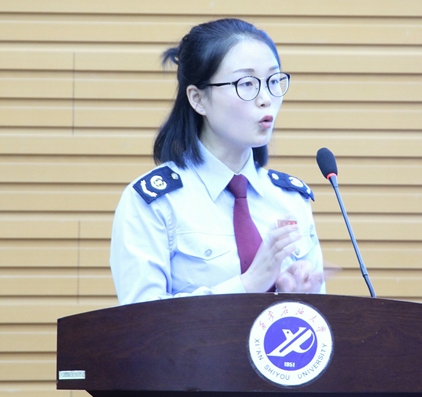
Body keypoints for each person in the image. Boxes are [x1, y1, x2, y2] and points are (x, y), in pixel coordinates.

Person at [110, 18, 325, 308]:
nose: (266, 99)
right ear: (198, 99)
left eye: (274, 81)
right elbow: (140, 322)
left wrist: (299, 299)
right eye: (246, 84)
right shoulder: (155, 204)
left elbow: (318, 325)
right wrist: (248, 285)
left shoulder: (290, 200)